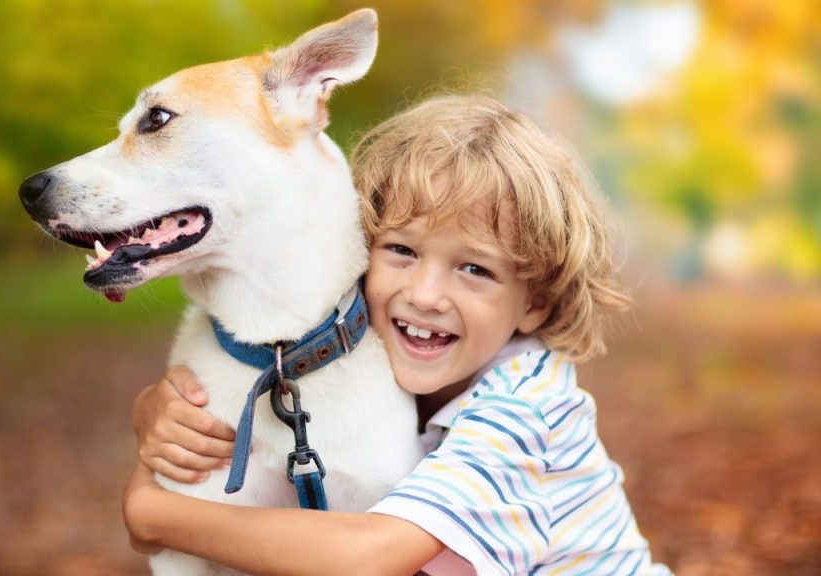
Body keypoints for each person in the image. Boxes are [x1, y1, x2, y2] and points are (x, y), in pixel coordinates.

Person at [123, 94, 671, 575]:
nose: (426, 294)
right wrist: (157, 408)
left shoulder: (528, 408)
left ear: (536, 303)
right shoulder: (367, 358)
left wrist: (155, 513)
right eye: (403, 250)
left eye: (475, 269)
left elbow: (371, 556)